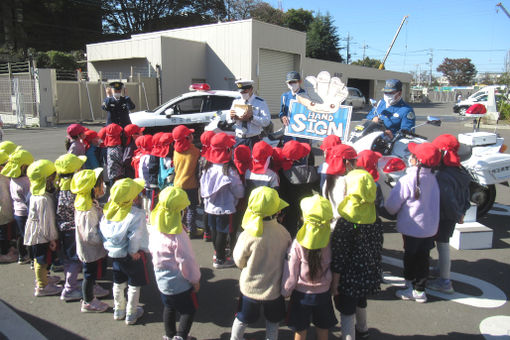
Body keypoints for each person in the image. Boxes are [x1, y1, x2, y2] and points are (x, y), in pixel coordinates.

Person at [230, 187, 291, 340]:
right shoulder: (283, 233)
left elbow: (238, 260)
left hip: (250, 288)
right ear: (277, 211)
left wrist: (245, 265)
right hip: (274, 290)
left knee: (242, 318)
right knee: (273, 321)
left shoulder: (248, 234)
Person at [385, 142, 441, 303]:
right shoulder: (433, 178)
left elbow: (392, 206)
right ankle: (420, 288)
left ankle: (411, 287)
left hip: (412, 228)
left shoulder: (408, 179)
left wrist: (388, 209)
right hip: (430, 228)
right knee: (423, 258)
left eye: (412, 155)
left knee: (410, 257)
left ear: (416, 160)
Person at [331, 169, 383, 340]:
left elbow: (339, 255)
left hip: (347, 277)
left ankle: (349, 335)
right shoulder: (375, 218)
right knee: (361, 300)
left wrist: (335, 282)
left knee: (346, 312)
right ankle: (363, 329)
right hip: (368, 272)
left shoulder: (346, 221)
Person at [282, 194, 338, 340]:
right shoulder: (331, 241)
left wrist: (285, 291)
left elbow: (291, 273)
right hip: (324, 293)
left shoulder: (298, 243)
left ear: (303, 217)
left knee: (300, 330)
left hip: (301, 295)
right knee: (322, 328)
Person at [149, 186, 201, 340]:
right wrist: (195, 280)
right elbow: (187, 261)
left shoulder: (155, 226)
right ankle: (181, 336)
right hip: (179, 284)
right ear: (180, 212)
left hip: (162, 281)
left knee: (169, 307)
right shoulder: (178, 236)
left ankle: (169, 335)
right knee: (188, 310)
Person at [100, 177, 149, 325]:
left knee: (118, 281)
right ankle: (131, 313)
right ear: (132, 197)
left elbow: (103, 231)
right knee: (134, 284)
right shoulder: (136, 215)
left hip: (115, 254)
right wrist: (134, 252)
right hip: (131, 255)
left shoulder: (109, 211)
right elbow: (135, 236)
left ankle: (118, 309)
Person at [428, 135, 471, 294]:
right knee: (442, 245)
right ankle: (440, 270)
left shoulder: (443, 175)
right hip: (453, 214)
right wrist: (462, 211)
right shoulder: (460, 169)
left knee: (443, 245)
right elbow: (466, 193)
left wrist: (455, 213)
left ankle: (445, 281)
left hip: (444, 216)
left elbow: (447, 200)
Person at [200, 133, 244, 269]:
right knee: (223, 233)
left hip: (210, 207)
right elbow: (238, 191)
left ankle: (217, 252)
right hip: (225, 207)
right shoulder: (229, 171)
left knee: (214, 230)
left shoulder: (208, 166)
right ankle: (220, 259)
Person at [70, 168, 110, 313]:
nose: (102, 186)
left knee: (91, 274)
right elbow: (89, 236)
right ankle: (88, 301)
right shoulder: (87, 210)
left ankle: (91, 292)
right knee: (89, 274)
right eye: (100, 184)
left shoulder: (86, 201)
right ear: (92, 188)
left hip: (90, 250)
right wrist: (105, 239)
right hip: (90, 251)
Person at [24, 160, 62, 297]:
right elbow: (47, 222)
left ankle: (44, 277)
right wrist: (52, 238)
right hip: (42, 235)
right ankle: (42, 286)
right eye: (52, 175)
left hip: (39, 232)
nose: (54, 177)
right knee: (41, 259)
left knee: (43, 258)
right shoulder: (42, 200)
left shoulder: (35, 193)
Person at [54, 153, 89, 302]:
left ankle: (71, 283)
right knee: (76, 259)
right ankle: (70, 288)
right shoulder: (73, 189)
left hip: (63, 228)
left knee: (69, 258)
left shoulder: (59, 185)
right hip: (73, 229)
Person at [2, 147, 34, 264]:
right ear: (24, 167)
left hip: (17, 212)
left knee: (21, 235)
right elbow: (29, 199)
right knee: (29, 237)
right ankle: (31, 258)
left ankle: (21, 256)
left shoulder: (13, 179)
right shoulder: (26, 182)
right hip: (26, 212)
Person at [172, 125, 201, 239]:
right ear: (187, 138)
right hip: (190, 185)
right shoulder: (195, 151)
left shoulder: (175, 151)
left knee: (179, 209)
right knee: (191, 208)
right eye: (190, 134)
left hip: (177, 184)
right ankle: (191, 230)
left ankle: (178, 228)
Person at [321, 144, 357, 230]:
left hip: (332, 226)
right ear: (348, 163)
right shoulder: (350, 181)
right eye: (355, 160)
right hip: (347, 228)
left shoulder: (328, 180)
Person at [228, 79, 271, 149]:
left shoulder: (260, 102)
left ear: (251, 89)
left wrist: (252, 118)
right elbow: (228, 119)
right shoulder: (236, 101)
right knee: (238, 159)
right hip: (239, 138)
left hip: (253, 139)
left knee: (253, 159)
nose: (243, 94)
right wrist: (231, 116)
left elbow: (266, 121)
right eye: (241, 92)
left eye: (245, 91)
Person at [0, 149, 16, 262]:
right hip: (3, 212)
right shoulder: (2, 179)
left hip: (4, 211)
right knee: (3, 233)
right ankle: (4, 253)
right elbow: (4, 198)